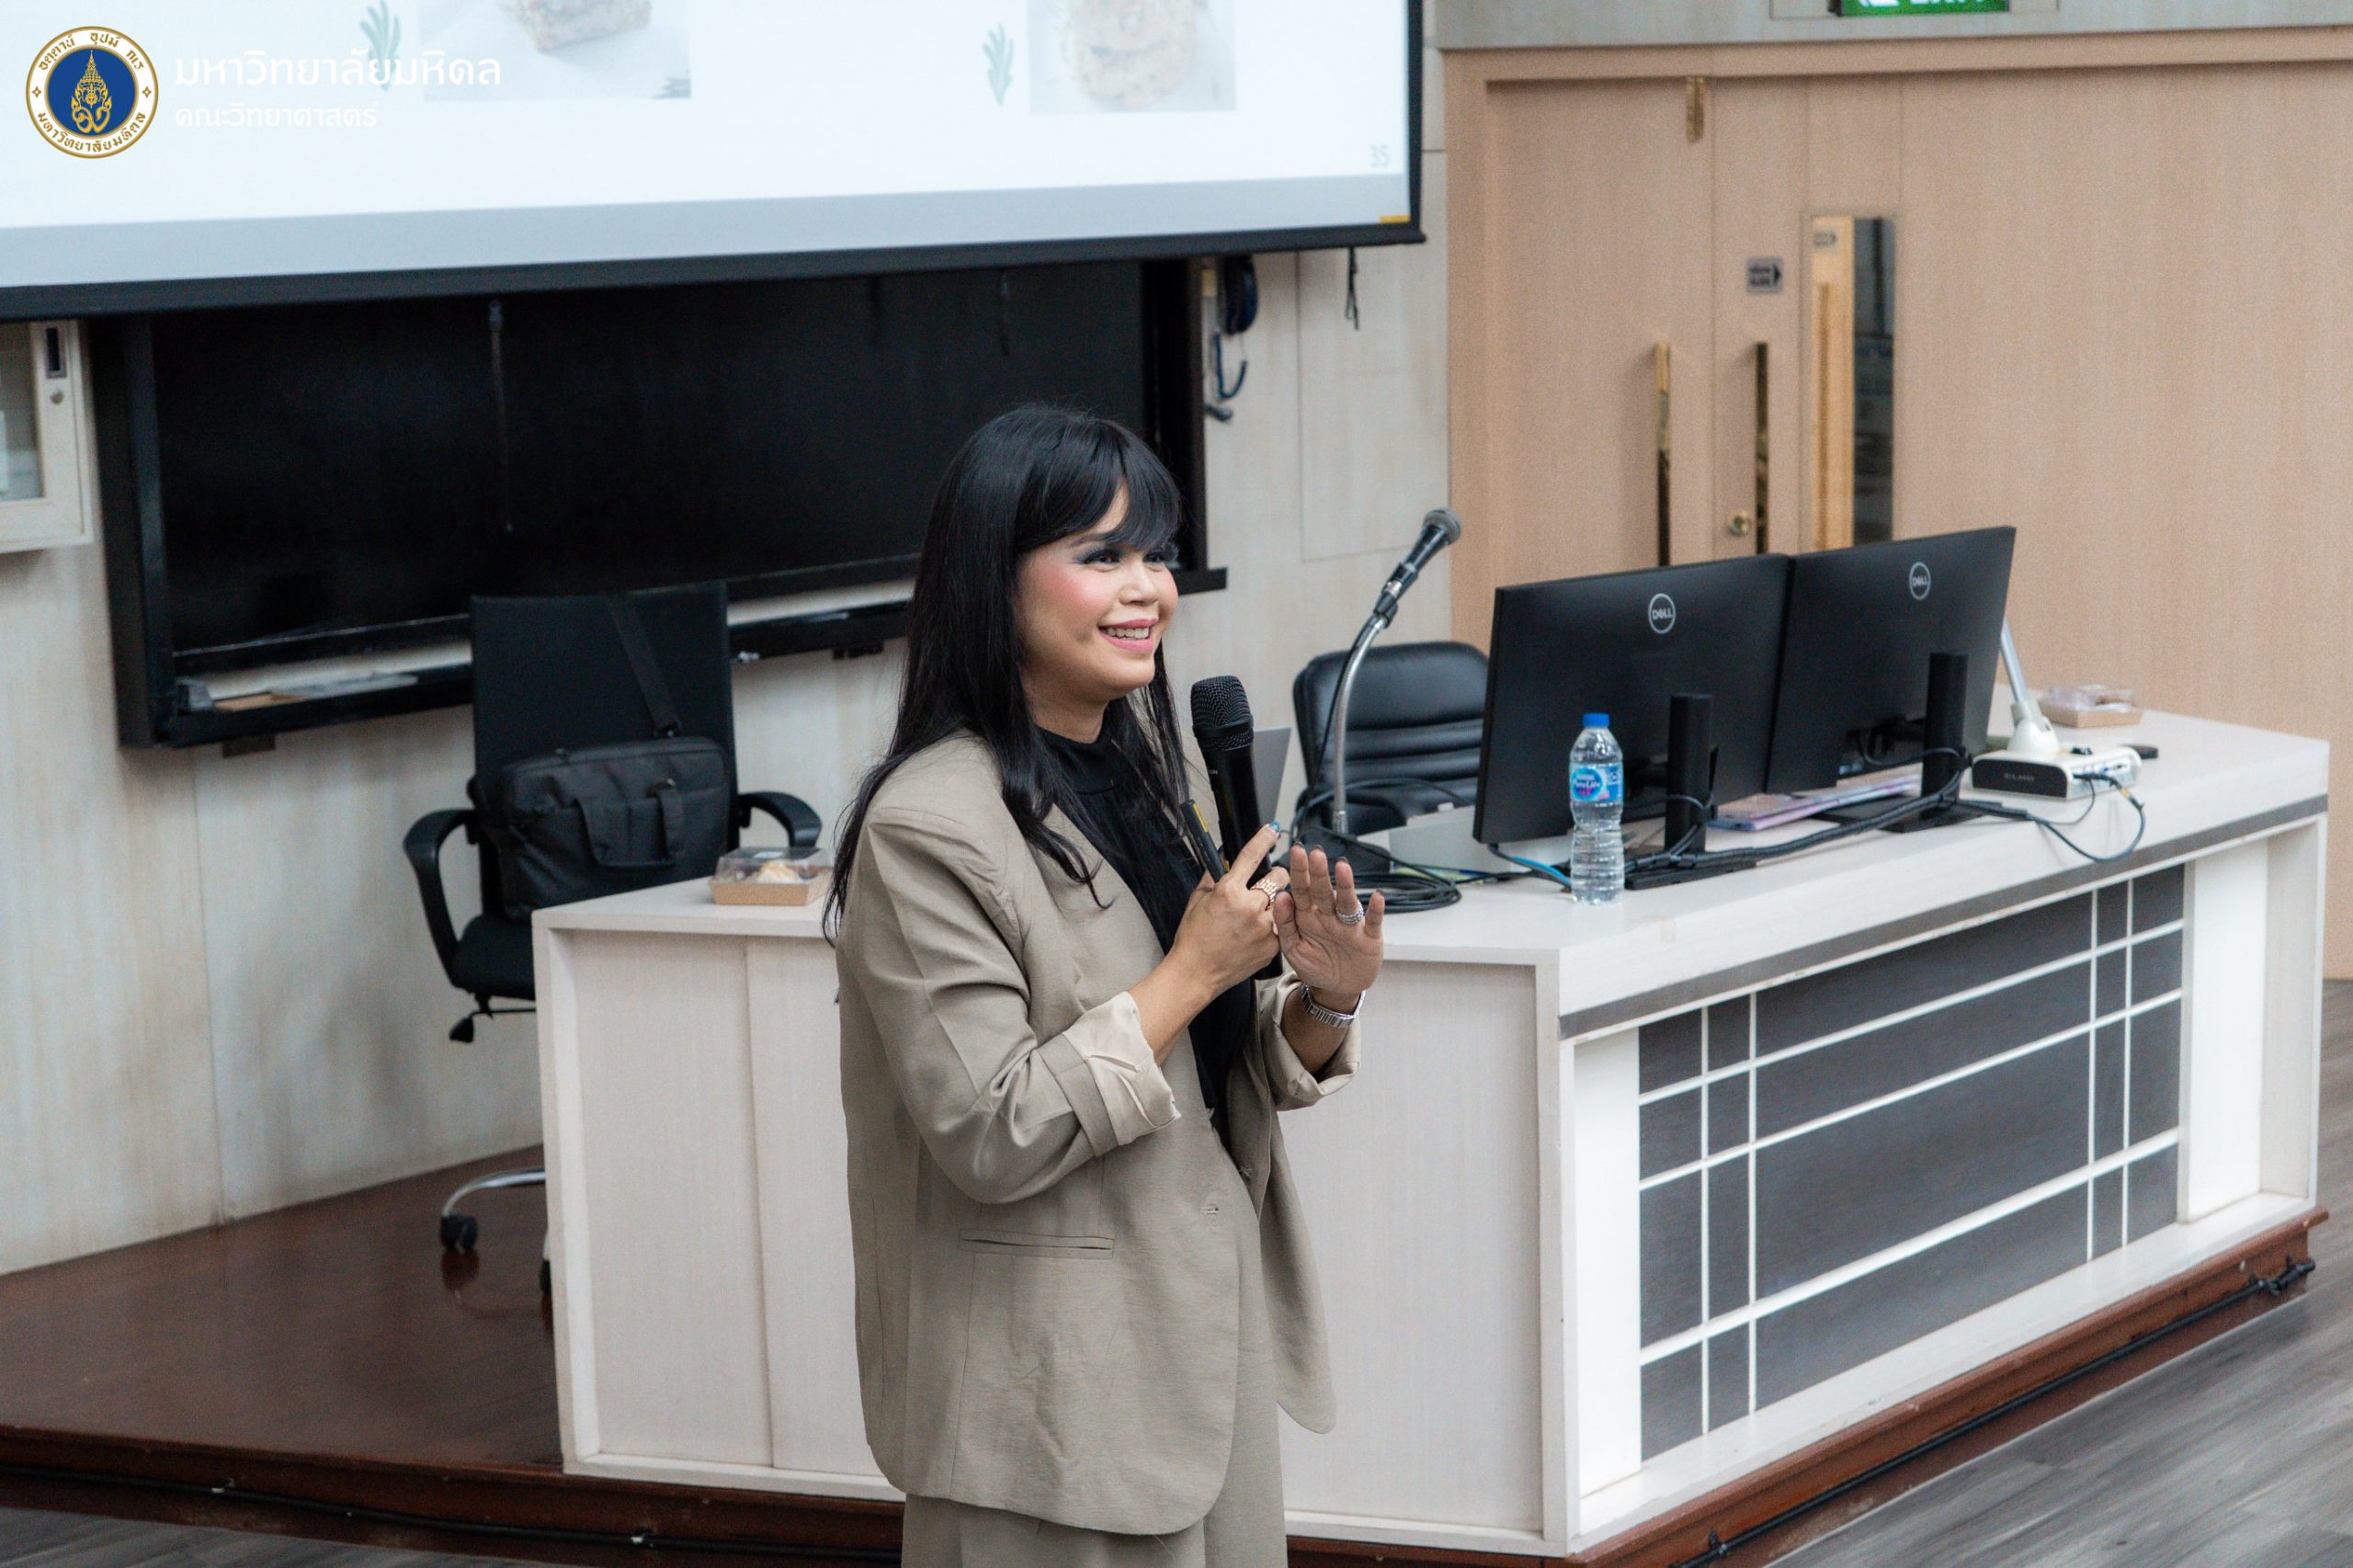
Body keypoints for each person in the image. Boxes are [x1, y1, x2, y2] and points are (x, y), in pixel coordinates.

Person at [826, 404, 1383, 1567]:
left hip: (1200, 1353)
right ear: (992, 578)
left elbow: (1197, 1065)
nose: (1147, 589)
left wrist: (1321, 1002)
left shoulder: (1142, 765)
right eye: (1101, 555)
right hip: (1051, 1397)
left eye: (1157, 554)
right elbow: (992, 1129)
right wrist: (1193, 967)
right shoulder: (930, 826)